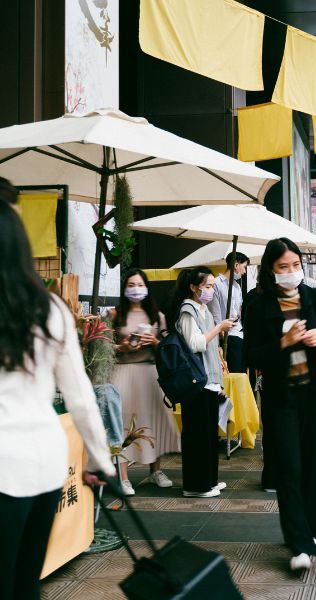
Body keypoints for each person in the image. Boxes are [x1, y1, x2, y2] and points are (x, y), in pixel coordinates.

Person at [0, 177, 115, 599]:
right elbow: (80, 395)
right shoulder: (49, 308)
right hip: (46, 464)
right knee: (25, 582)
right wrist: (101, 459)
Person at [243, 238, 316, 571]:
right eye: (284, 267)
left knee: (314, 463)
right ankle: (297, 543)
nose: (291, 272)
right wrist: (284, 341)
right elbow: (250, 355)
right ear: (270, 269)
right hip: (281, 396)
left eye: (296, 265)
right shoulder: (257, 305)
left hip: (314, 392)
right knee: (290, 467)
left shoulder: (312, 296)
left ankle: (311, 532)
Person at [168, 267, 235, 498]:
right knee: (197, 435)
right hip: (196, 381)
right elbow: (195, 343)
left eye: (212, 287)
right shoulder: (187, 311)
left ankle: (209, 481)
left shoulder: (203, 309)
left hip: (209, 380)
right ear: (193, 287)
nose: (210, 291)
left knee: (208, 435)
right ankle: (195, 485)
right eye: (207, 286)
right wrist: (219, 328)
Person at [112, 268, 180, 496]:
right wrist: (121, 347)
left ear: (147, 288)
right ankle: (123, 476)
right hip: (122, 372)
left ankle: (156, 470)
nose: (136, 289)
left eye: (140, 285)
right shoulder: (114, 315)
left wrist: (154, 342)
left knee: (153, 420)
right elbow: (102, 346)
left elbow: (167, 348)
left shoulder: (157, 316)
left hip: (150, 373)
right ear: (124, 289)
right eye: (131, 285)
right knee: (122, 423)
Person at [209, 251, 248, 373]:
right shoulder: (216, 284)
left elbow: (238, 311)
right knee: (233, 372)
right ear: (236, 265)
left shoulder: (236, 286)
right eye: (244, 267)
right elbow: (215, 314)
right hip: (227, 336)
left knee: (242, 372)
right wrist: (220, 339)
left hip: (239, 333)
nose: (245, 272)